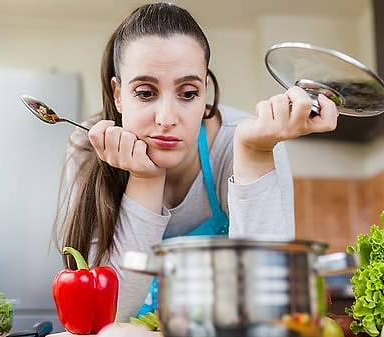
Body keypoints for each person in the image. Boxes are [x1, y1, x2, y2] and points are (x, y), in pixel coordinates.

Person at [52, 1, 338, 321]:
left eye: (187, 93)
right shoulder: (87, 147)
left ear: (204, 94)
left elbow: (273, 308)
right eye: (145, 93)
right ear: (117, 95)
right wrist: (147, 180)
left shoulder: (244, 141)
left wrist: (254, 154)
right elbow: (107, 317)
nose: (166, 119)